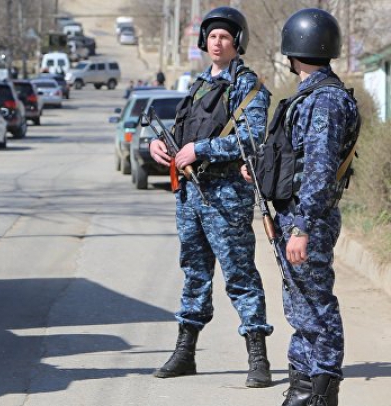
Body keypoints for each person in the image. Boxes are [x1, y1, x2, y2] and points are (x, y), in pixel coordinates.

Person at [149, 7, 273, 388]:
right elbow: (181, 131)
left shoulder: (248, 85)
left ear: (237, 42)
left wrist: (199, 149)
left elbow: (249, 139)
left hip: (226, 198)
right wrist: (160, 146)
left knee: (240, 275)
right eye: (212, 36)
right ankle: (185, 353)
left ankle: (258, 358)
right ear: (204, 42)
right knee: (194, 274)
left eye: (224, 36)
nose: (217, 42)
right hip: (190, 196)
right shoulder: (199, 85)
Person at [243, 9, 360, 406]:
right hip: (296, 215)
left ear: (293, 51)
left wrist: (302, 227)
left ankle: (322, 394)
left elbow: (320, 170)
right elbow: (296, 160)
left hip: (307, 219)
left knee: (316, 307)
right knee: (300, 307)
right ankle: (302, 388)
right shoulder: (313, 95)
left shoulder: (324, 101)